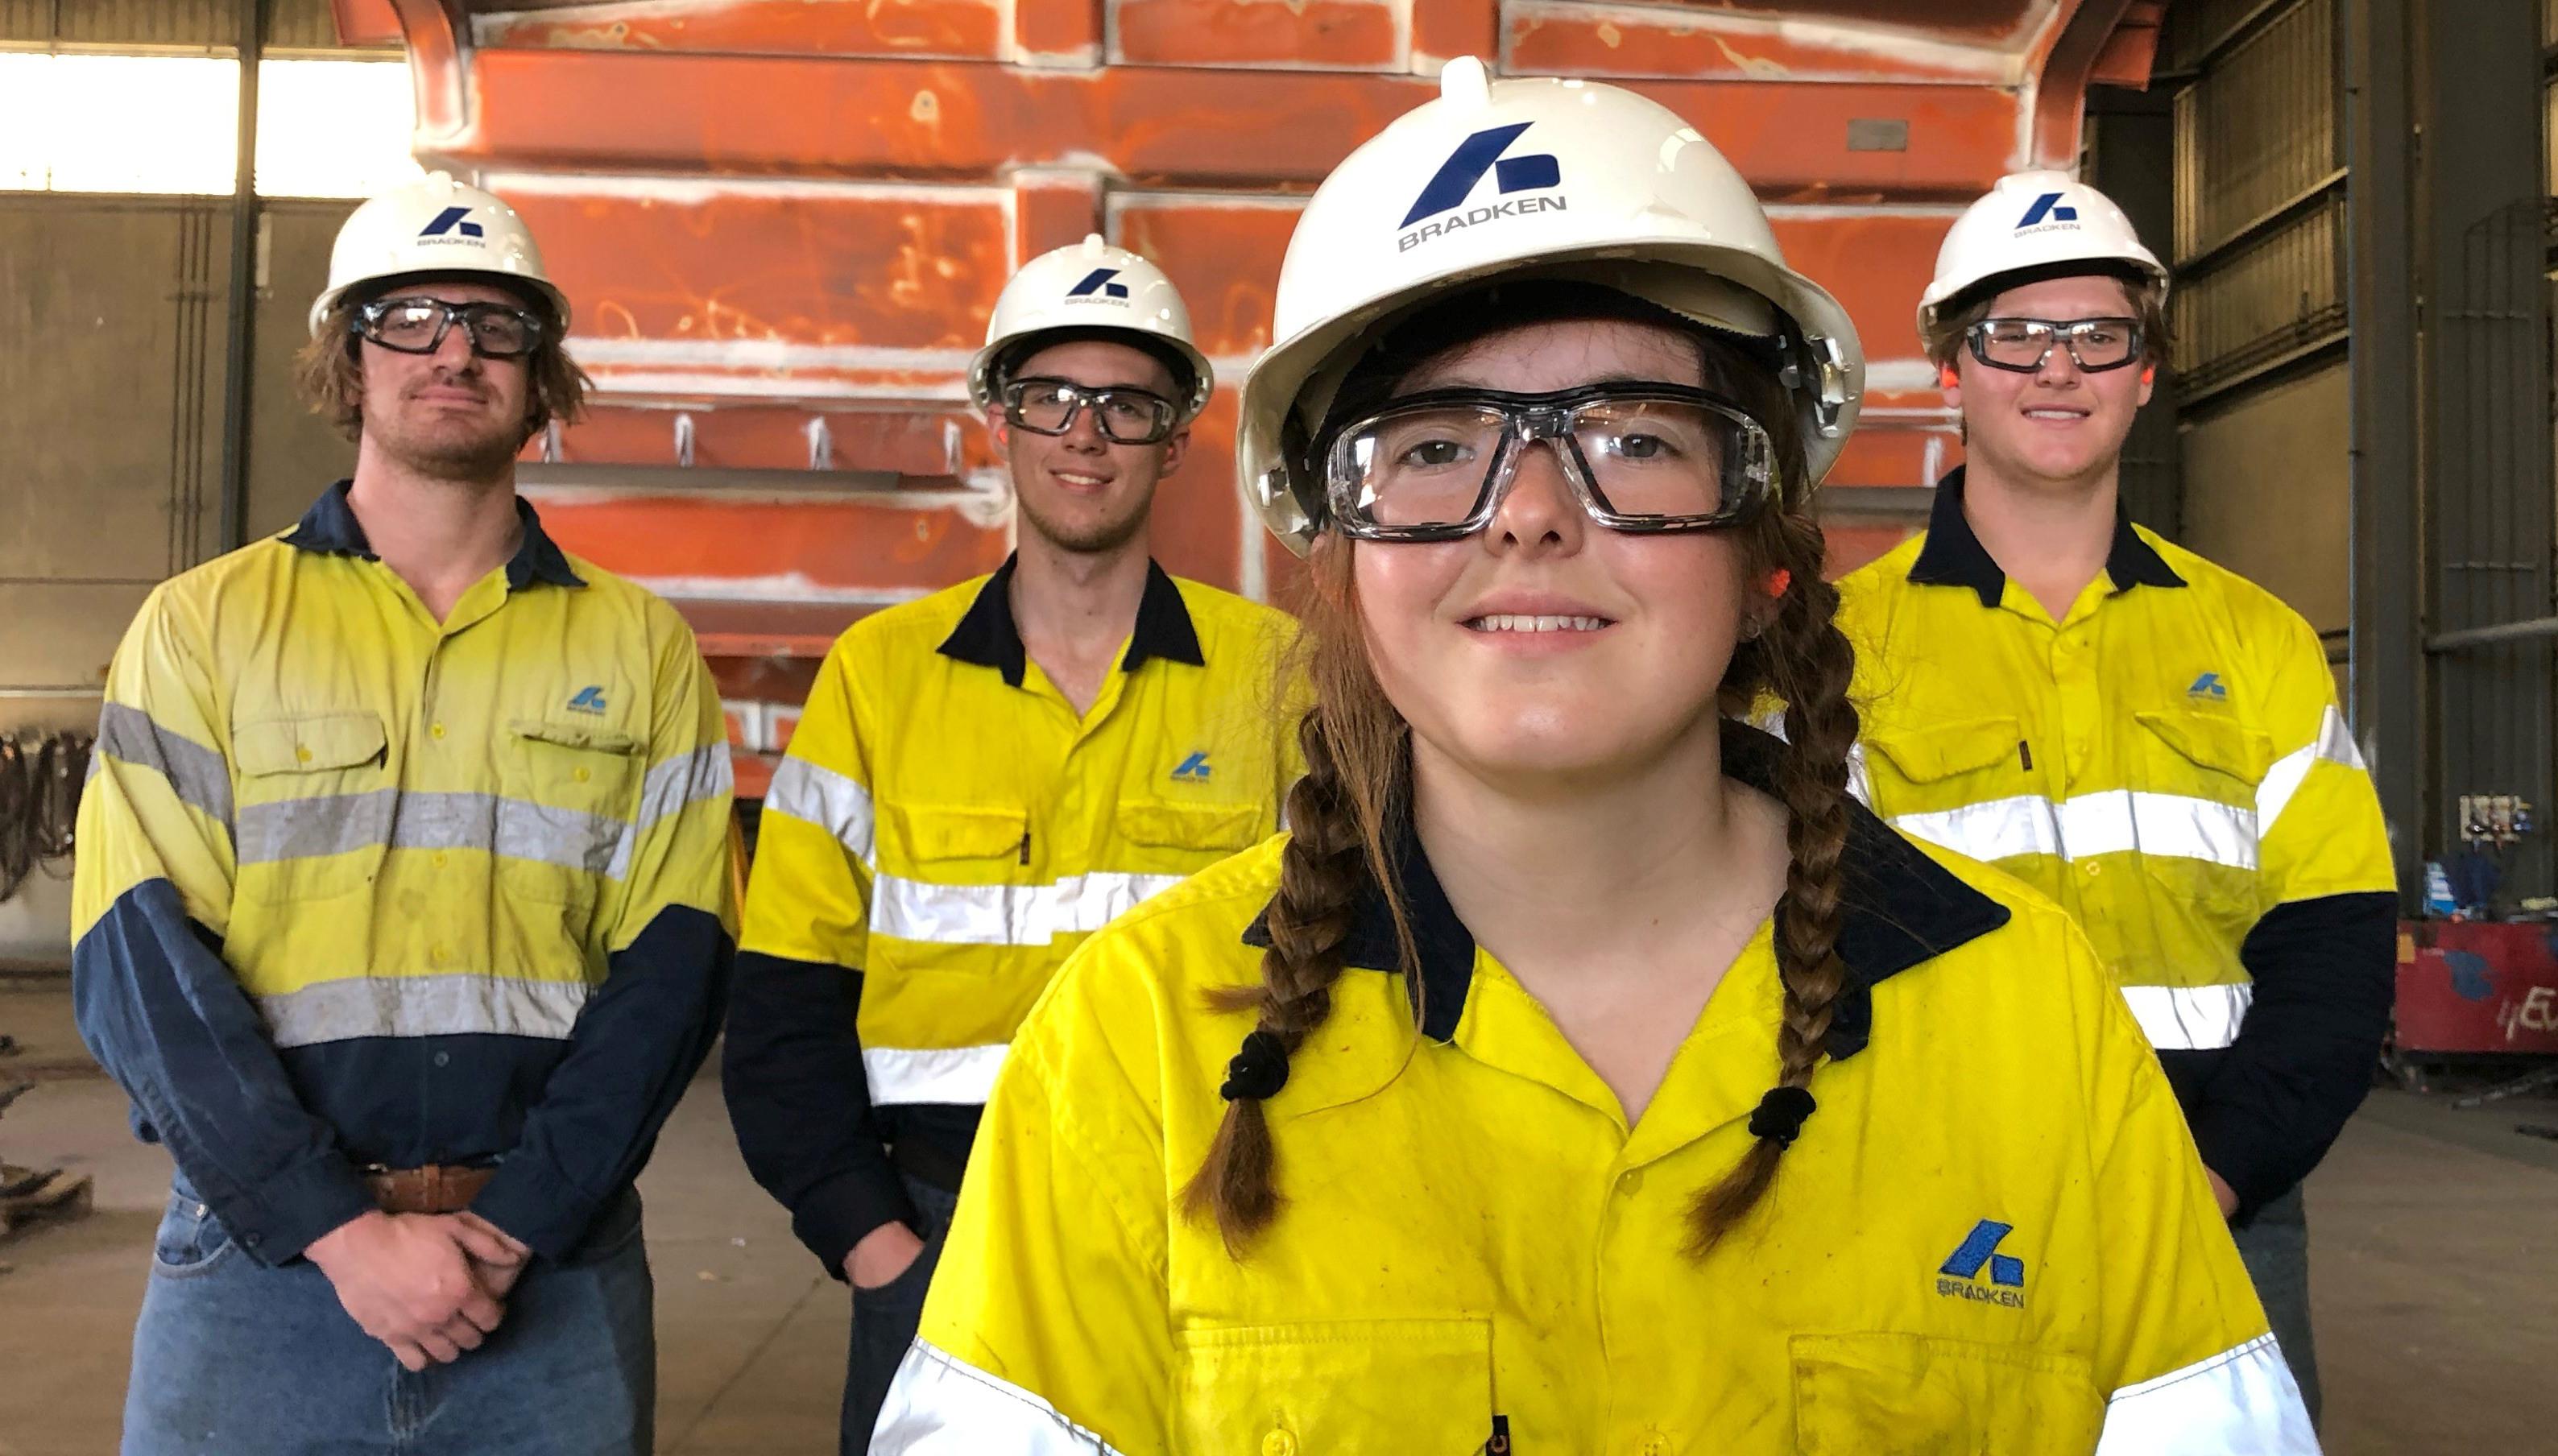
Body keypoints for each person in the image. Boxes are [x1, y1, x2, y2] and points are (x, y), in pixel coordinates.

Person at [867, 60, 2315, 1453]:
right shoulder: (1136, 1049)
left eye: (1633, 438)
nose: (1532, 513)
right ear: (1345, 557)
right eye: (1432, 448)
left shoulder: (2033, 1024)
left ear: (1766, 542)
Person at [72, 172, 736, 1455]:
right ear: (349, 355)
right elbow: (138, 963)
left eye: (498, 326)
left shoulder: (641, 647)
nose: (455, 352)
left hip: (549, 1267)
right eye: (412, 318)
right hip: (262, 1274)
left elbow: (676, 970)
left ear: (542, 375)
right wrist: (338, 1231)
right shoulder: (203, 629)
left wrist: (518, 1222)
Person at [721, 234, 1302, 1452]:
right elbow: (782, 1006)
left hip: (1209, 1225)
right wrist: (876, 1247)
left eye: (1125, 406)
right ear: (1001, 420)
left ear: (1173, 436)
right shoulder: (879, 683)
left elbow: (1352, 972)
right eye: (1051, 399)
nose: (1085, 432)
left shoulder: (1276, 680)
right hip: (939, 1236)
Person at [1834, 169, 2396, 1420]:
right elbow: (1789, 946)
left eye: (2099, 337)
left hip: (2221, 1198)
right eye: (2014, 335)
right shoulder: (1838, 654)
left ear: (2145, 371)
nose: (2058, 368)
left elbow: (2336, 945)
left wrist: (2222, 1173)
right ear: (1950, 368)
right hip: (1931, 1201)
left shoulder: (2258, 643)